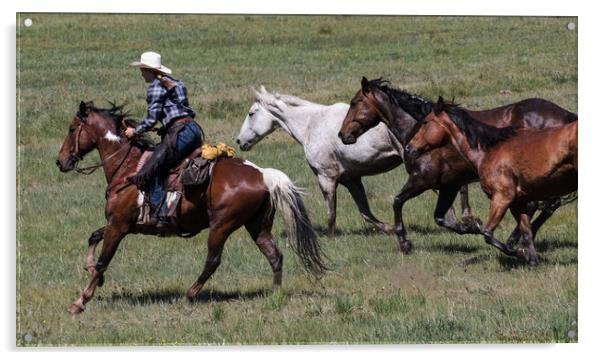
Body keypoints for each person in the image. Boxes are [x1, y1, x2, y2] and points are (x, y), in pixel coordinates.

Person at [126, 51, 203, 227]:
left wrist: (135, 131)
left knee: (153, 168)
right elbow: (180, 109)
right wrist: (163, 127)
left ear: (149, 70)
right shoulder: (175, 83)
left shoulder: (155, 87)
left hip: (180, 132)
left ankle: (160, 215)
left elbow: (151, 118)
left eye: (143, 70)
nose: (141, 73)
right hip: (193, 130)